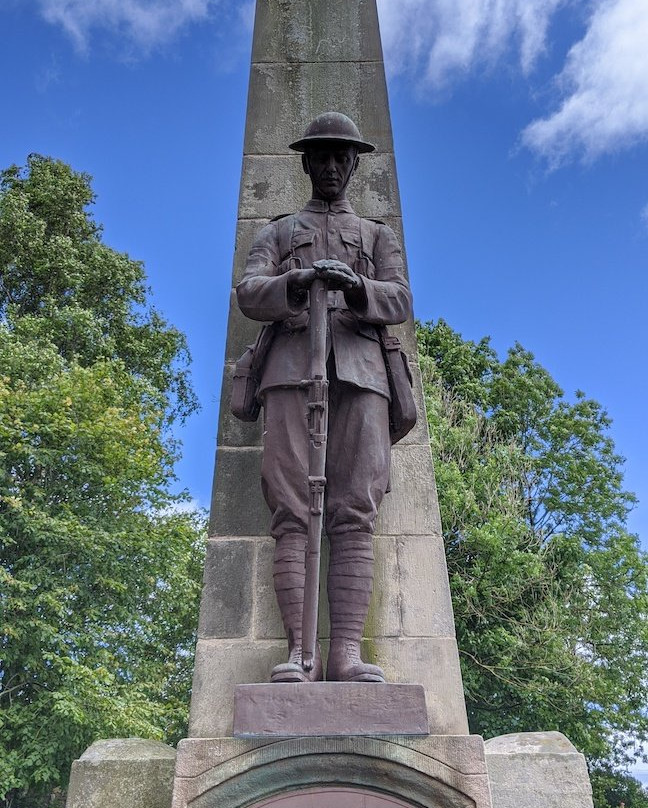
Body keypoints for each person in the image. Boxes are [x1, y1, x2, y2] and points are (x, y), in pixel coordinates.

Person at [236, 112, 412, 683]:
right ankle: (299, 655)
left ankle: (346, 655)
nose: (331, 166)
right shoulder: (281, 232)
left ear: (355, 165)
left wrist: (355, 287)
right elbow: (248, 290)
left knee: (355, 512)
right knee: (291, 512)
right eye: (321, 156)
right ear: (306, 163)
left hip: (363, 377)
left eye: (342, 157)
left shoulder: (377, 236)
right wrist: (297, 282)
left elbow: (399, 298)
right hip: (289, 373)